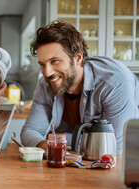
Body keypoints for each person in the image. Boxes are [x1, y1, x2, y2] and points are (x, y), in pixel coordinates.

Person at [21, 21, 139, 156]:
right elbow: (30, 131)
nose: (47, 72)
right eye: (42, 64)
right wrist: (42, 144)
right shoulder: (46, 84)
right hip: (71, 162)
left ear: (77, 58)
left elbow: (114, 147)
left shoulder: (114, 83)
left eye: (55, 61)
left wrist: (61, 138)